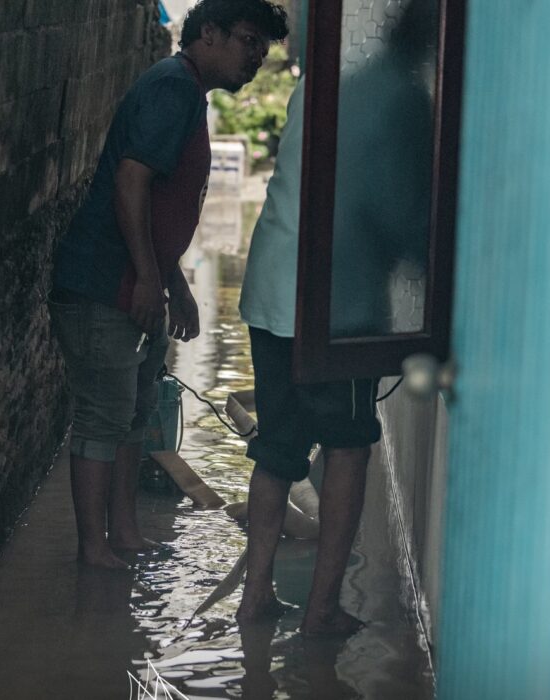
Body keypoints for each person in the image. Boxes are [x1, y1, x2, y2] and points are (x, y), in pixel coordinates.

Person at [51, 0, 290, 569]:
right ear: (208, 34)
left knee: (135, 414)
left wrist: (173, 285)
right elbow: (131, 183)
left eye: (263, 48)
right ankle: (93, 549)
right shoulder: (172, 88)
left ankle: (125, 534)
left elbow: (159, 206)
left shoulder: (187, 92)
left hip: (135, 281)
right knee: (102, 419)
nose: (257, 56)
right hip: (103, 283)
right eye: (248, 41)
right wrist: (146, 279)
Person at [235, 0, 437, 633]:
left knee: (277, 448)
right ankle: (322, 609)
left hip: (273, 289)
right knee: (349, 446)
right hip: (333, 307)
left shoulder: (326, 86)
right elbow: (396, 209)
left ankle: (255, 596)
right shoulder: (402, 99)